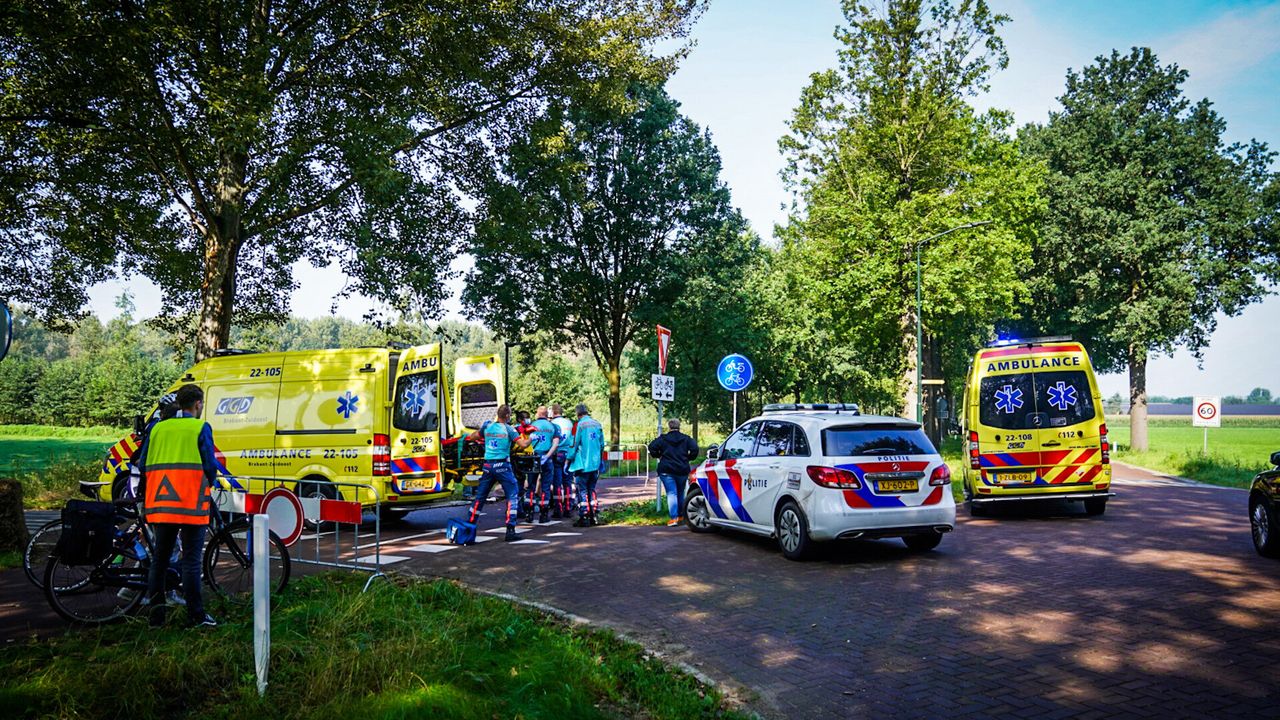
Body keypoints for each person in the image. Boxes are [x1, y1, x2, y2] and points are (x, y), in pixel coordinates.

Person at [138, 384, 219, 629]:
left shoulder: (158, 428)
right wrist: (208, 484)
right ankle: (196, 616)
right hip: (191, 504)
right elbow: (210, 466)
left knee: (159, 561)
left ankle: (156, 618)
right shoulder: (200, 427)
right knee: (191, 562)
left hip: (161, 503)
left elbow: (143, 464)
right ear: (197, 404)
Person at [466, 404, 531, 541]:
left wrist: (482, 432)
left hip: (488, 466)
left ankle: (469, 526)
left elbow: (472, 437)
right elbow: (524, 444)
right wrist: (533, 437)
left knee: (480, 497)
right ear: (507, 416)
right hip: (503, 466)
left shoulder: (488, 427)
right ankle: (510, 530)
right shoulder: (509, 429)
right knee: (512, 495)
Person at [648, 418, 699, 527]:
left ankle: (673, 518)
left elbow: (651, 447)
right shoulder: (686, 439)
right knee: (680, 493)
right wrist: (689, 458)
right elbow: (695, 448)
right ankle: (681, 517)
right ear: (679, 426)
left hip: (666, 470)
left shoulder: (663, 439)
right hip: (682, 469)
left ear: (669, 426)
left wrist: (658, 455)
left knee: (672, 493)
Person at [568, 403, 605, 527]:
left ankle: (584, 516)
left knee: (582, 490)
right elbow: (602, 444)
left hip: (583, 464)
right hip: (595, 464)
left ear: (578, 414)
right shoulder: (597, 424)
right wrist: (600, 459)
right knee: (592, 489)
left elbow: (574, 444)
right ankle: (594, 515)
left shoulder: (579, 425)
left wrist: (568, 459)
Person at [525, 406, 562, 523]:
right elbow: (555, 444)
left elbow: (525, 442)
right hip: (547, 457)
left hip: (533, 457)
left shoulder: (531, 425)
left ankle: (529, 513)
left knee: (531, 485)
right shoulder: (553, 426)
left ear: (537, 414)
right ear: (547, 414)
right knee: (546, 486)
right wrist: (547, 456)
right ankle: (544, 515)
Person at [548, 404, 575, 519]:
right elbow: (573, 439)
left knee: (557, 483)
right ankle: (568, 508)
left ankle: (558, 510)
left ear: (553, 412)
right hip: (568, 455)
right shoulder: (569, 423)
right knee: (568, 482)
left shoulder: (552, 424)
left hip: (557, 454)